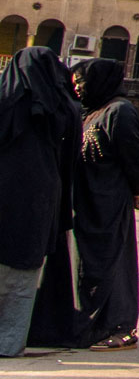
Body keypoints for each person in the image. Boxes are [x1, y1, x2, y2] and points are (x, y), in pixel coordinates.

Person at [0, 45, 81, 357]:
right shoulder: (65, 106)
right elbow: (71, 159)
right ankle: (9, 344)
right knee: (23, 276)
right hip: (41, 197)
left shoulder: (4, 99)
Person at [71, 58, 139, 350]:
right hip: (88, 200)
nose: (78, 87)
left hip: (109, 200)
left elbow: (133, 158)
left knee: (113, 264)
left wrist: (135, 190)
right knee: (89, 266)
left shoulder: (120, 111)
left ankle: (121, 328)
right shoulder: (92, 112)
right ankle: (93, 325)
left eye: (82, 81)